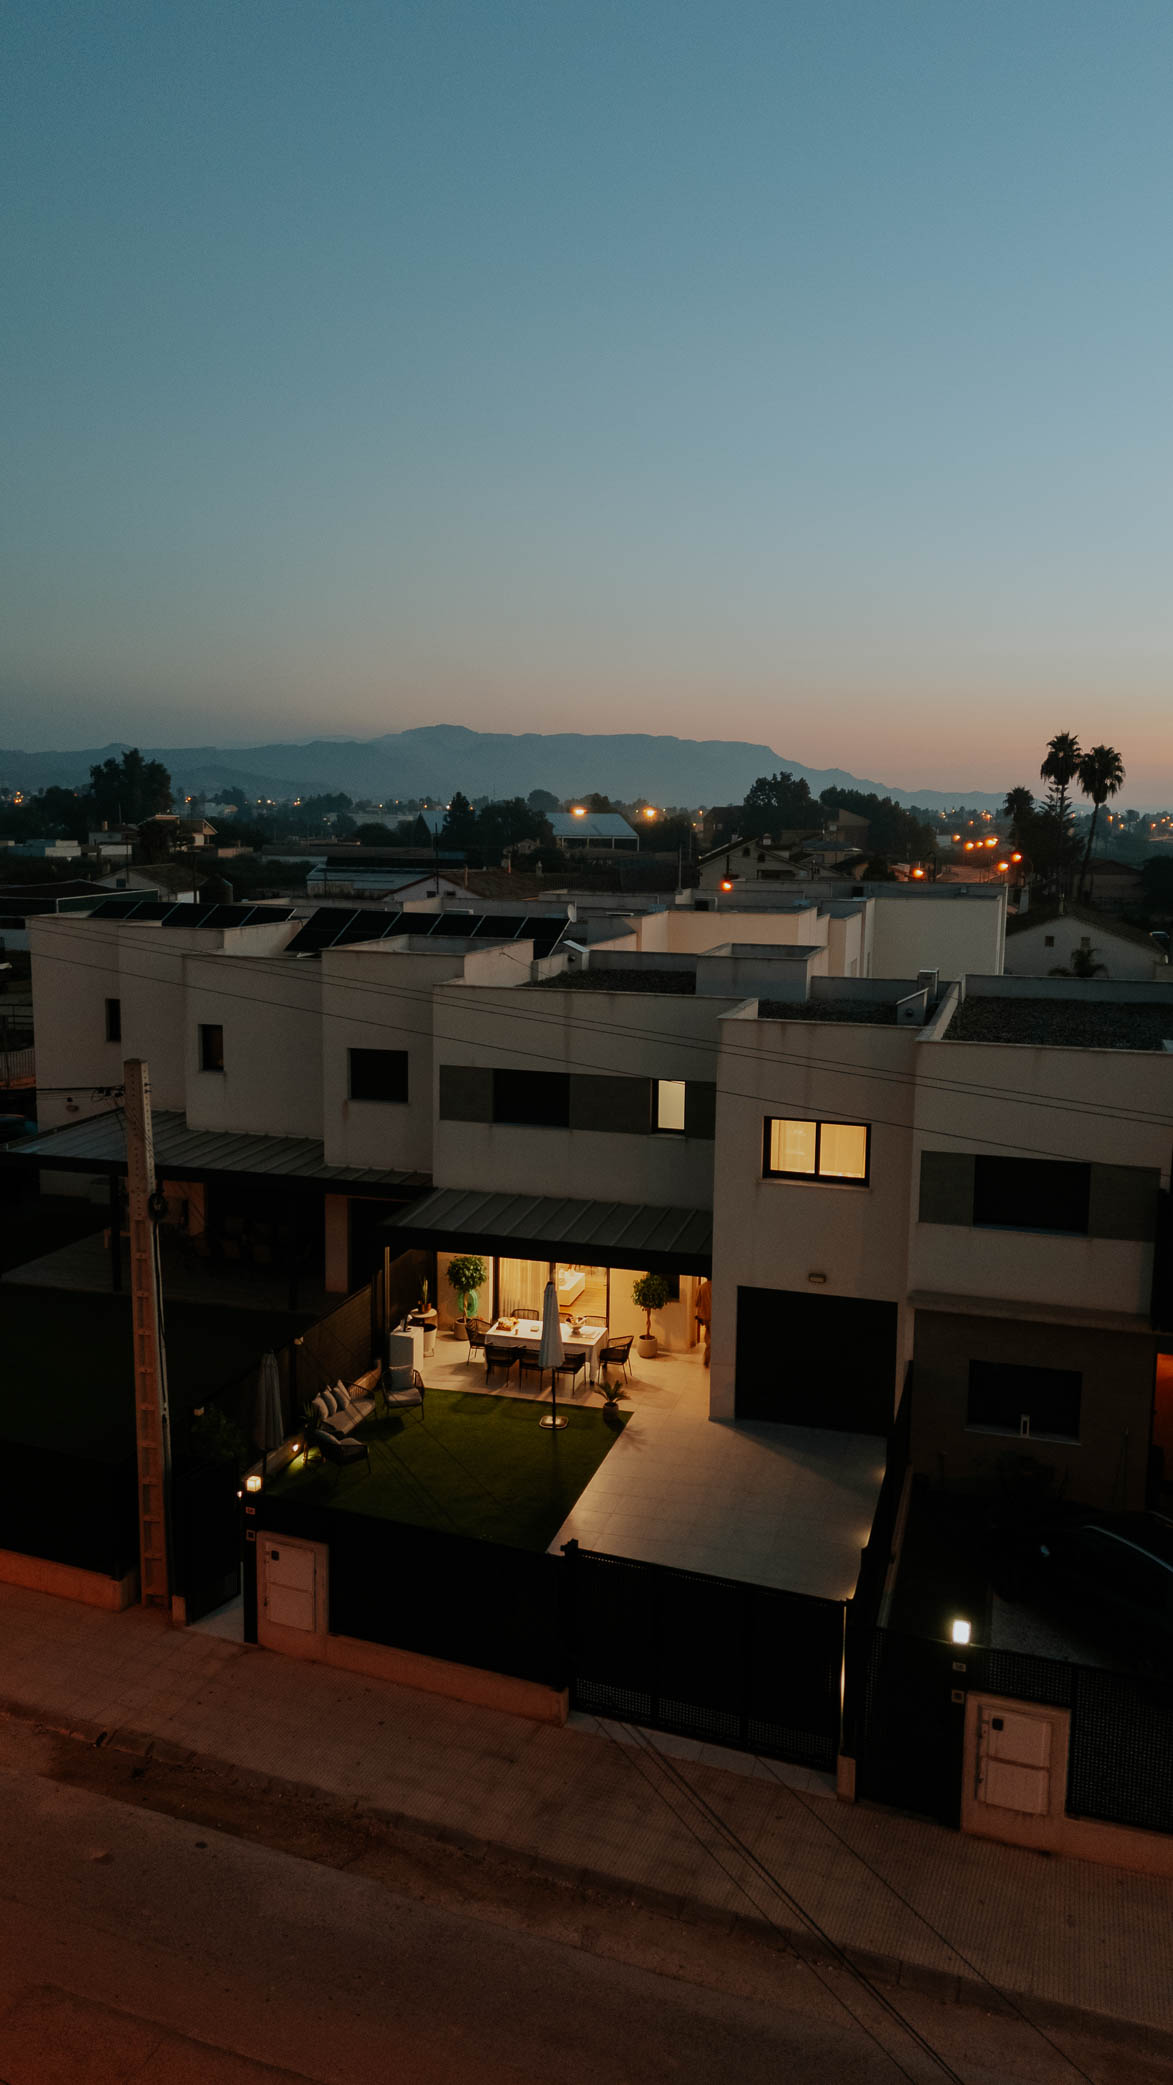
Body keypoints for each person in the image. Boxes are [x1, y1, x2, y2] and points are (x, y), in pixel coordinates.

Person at [694, 1277, 712, 1367]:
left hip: (705, 1316)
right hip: (714, 1316)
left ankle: (707, 1358)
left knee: (708, 1335)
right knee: (711, 1338)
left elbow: (696, 1302)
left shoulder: (701, 1287)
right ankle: (707, 1358)